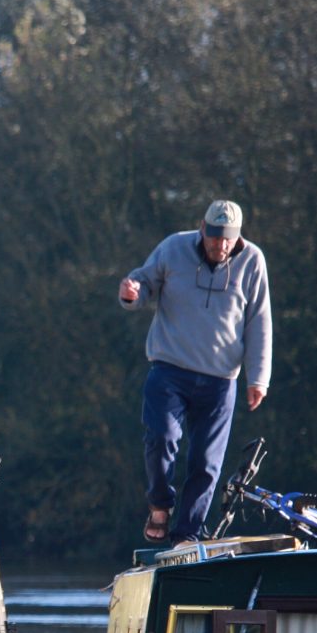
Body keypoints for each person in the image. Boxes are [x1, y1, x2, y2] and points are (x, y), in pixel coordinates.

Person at [118, 199, 272, 544]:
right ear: (202, 228)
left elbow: (259, 321)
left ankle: (188, 532)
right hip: (170, 369)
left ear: (239, 236)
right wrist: (132, 293)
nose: (221, 245)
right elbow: (143, 283)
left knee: (206, 462)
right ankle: (160, 505)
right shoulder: (173, 248)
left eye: (228, 238)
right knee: (161, 438)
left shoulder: (252, 261)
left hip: (220, 380)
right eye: (215, 236)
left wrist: (258, 377)